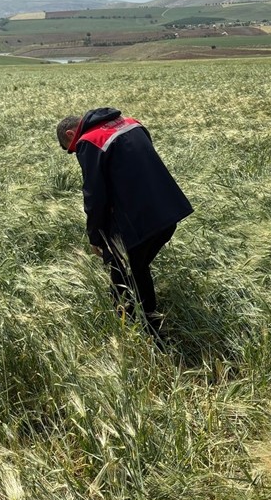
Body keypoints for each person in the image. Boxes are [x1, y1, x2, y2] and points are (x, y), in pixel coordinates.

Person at [57, 107, 192, 340]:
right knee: (135, 269)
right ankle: (148, 326)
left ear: (71, 134)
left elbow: (94, 196)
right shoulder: (131, 123)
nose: (75, 151)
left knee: (123, 277)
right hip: (168, 211)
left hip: (139, 222)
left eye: (72, 149)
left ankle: (141, 334)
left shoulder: (90, 140)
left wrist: (96, 238)